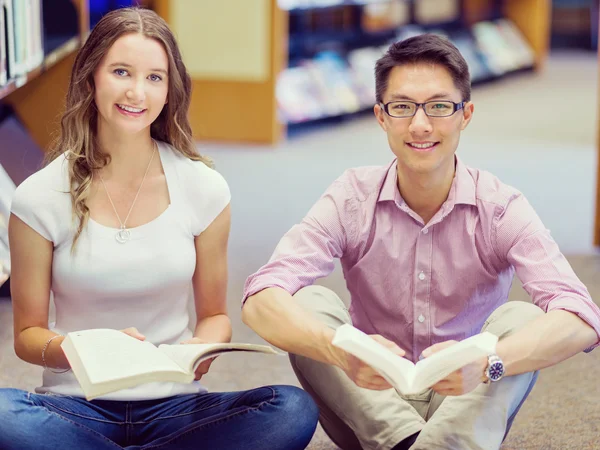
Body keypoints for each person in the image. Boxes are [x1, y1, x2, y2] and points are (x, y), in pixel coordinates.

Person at [241, 34, 600, 450]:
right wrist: (339, 352)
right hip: (369, 400)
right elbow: (260, 296)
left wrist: (490, 363)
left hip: (467, 398)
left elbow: (581, 316)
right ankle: (409, 441)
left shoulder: (500, 207)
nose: (420, 124)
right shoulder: (351, 197)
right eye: (402, 107)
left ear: (465, 114)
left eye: (439, 106)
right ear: (381, 116)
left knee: (521, 318)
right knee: (306, 304)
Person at [0, 7, 318, 450]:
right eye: (121, 72)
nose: (136, 91)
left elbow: (214, 318)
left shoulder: (203, 187)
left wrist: (197, 354)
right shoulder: (38, 195)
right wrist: (80, 349)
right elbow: (27, 336)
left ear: (170, 90)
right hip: (76, 404)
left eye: (154, 77)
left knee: (291, 409)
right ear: (91, 78)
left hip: (175, 405)